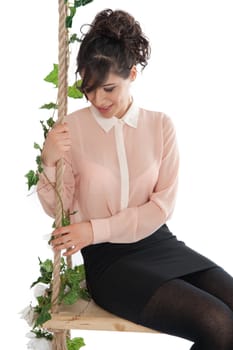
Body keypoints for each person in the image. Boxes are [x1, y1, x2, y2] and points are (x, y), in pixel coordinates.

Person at [37, 8, 233, 349]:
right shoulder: (72, 129)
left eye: (109, 88)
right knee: (217, 323)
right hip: (110, 263)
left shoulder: (160, 126)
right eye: (89, 88)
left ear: (133, 74)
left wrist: (94, 228)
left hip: (159, 243)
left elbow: (161, 208)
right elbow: (60, 207)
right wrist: (50, 159)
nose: (98, 99)